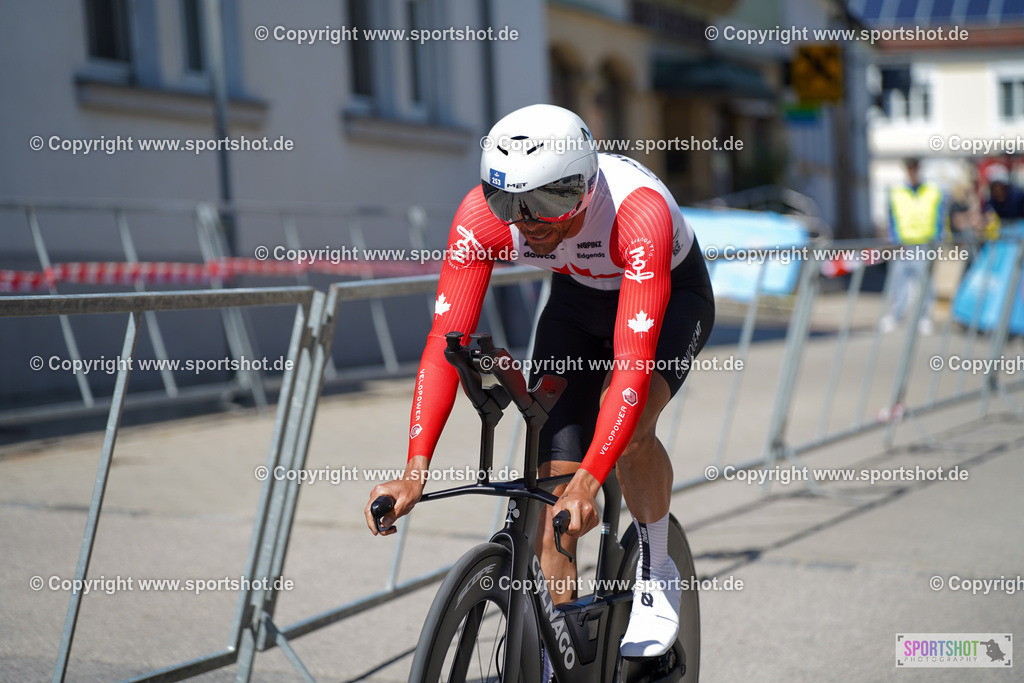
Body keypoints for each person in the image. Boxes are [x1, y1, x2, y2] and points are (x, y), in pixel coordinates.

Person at [364, 104, 715, 661]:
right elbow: (442, 343)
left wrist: (592, 480)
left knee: (631, 428)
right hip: (576, 304)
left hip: (668, 296)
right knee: (554, 492)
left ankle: (657, 562)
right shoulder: (483, 218)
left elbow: (631, 362)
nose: (525, 221)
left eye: (545, 203)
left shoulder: (637, 214)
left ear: (583, 188)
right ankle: (563, 652)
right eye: (509, 202)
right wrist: (414, 470)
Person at [879, 157, 947, 335]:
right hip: (902, 244)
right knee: (898, 280)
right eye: (909, 168)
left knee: (925, 282)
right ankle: (896, 315)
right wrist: (892, 239)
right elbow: (891, 217)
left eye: (915, 168)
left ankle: (924, 318)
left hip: (925, 242)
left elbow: (940, 216)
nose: (912, 171)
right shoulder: (896, 191)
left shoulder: (933, 190)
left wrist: (938, 239)